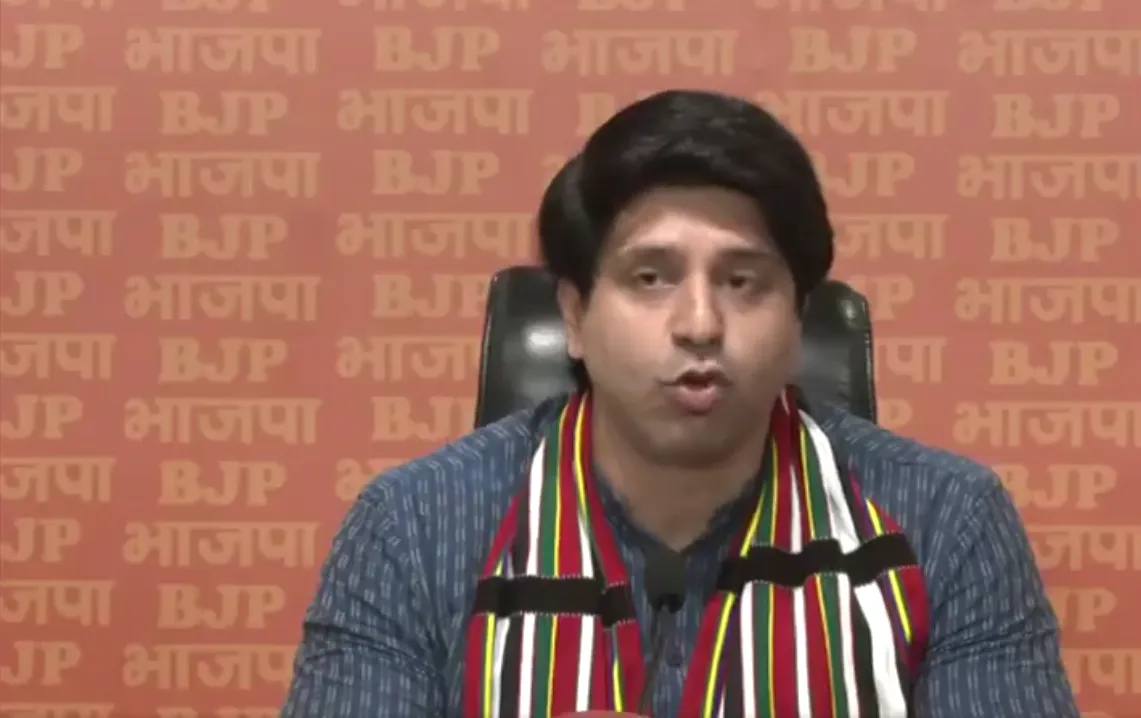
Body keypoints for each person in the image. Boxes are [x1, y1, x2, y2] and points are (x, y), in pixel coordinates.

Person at [281, 89, 1078, 717]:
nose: (699, 323)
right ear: (572, 317)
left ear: (796, 318)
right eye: (650, 278)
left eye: (741, 280)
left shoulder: (946, 522)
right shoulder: (416, 528)